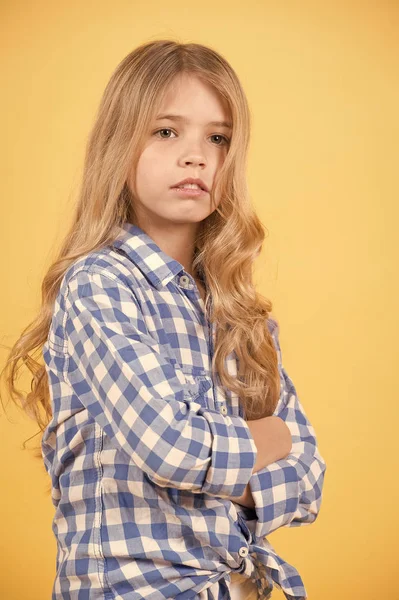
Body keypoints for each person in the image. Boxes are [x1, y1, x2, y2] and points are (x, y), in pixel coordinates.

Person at [1, 40, 327, 599]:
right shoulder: (100, 286)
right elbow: (171, 447)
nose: (195, 156)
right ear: (118, 145)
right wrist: (266, 440)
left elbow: (309, 482)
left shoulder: (241, 317)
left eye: (218, 138)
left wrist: (231, 460)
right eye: (166, 132)